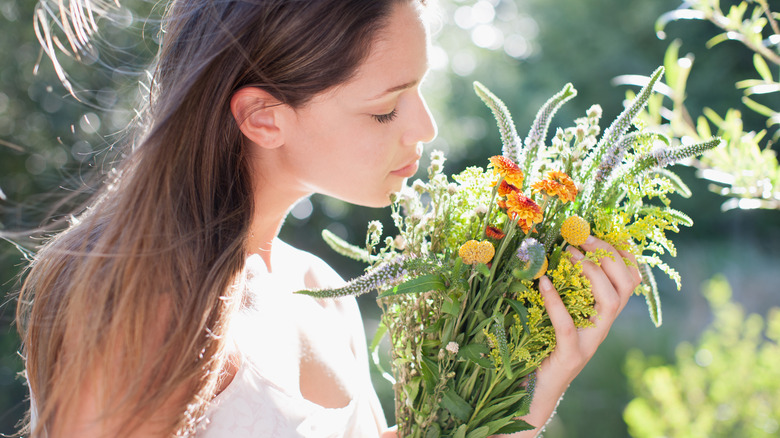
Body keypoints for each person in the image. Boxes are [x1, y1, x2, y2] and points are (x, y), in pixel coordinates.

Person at [15, 0, 642, 436]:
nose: (424, 129)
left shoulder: (317, 288)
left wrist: (530, 394)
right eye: (384, 110)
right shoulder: (141, 303)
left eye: (418, 90)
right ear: (263, 117)